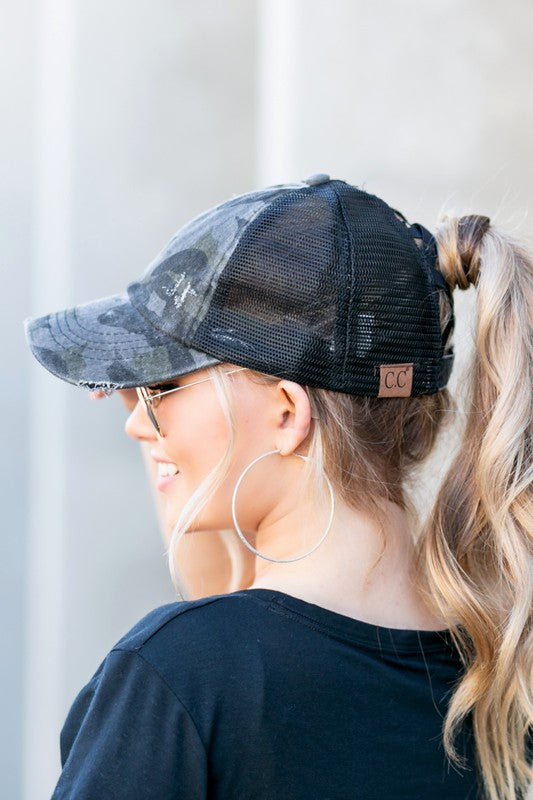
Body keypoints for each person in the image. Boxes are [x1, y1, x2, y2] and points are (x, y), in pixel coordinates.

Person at [24, 174, 532, 800]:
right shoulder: (504, 687)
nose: (134, 421)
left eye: (159, 388)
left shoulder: (178, 679)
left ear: (288, 413)